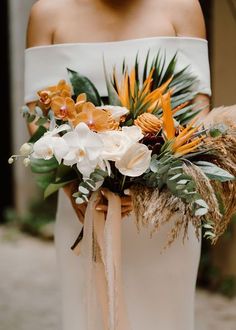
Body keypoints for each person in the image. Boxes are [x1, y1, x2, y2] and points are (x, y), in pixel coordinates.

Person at [25, 0, 211, 329]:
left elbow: (197, 109)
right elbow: (38, 116)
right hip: (85, 207)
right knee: (90, 315)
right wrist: (74, 187)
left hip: (162, 213)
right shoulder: (48, 12)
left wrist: (151, 183)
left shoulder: (182, 7)